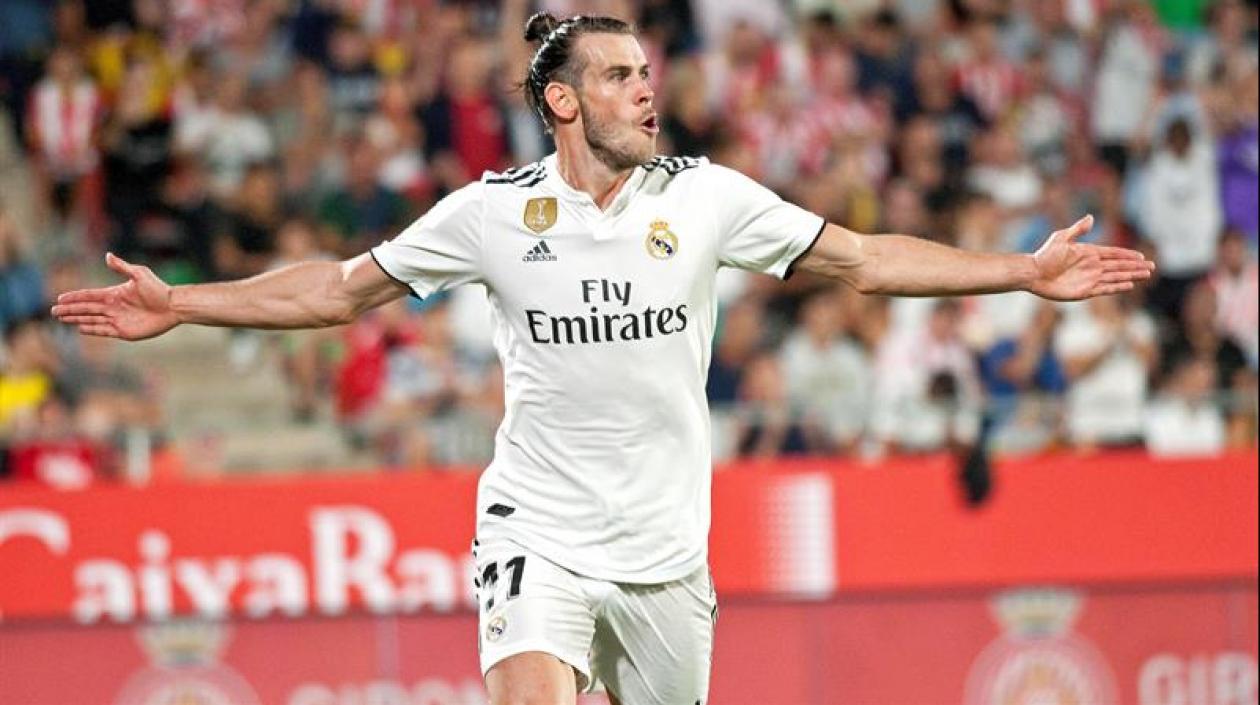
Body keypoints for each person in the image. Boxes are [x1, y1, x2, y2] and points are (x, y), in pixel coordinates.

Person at [52, 13, 1155, 705]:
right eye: (621, 75)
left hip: (668, 550)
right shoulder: (490, 214)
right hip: (538, 529)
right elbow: (339, 291)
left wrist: (1018, 272)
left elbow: (862, 259)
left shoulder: (711, 198)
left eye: (648, 72)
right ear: (563, 100)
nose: (647, 89)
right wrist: (184, 305)